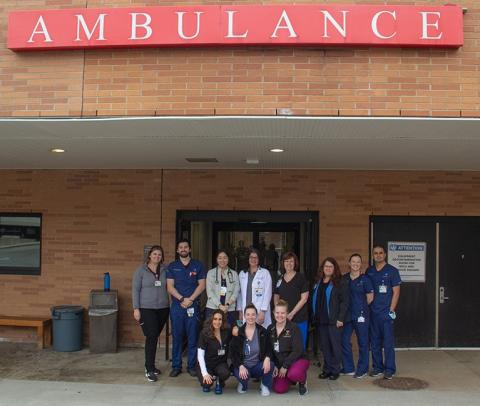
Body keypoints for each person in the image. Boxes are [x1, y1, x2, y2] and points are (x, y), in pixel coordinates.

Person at [167, 239, 206, 377]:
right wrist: (182, 299)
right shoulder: (172, 266)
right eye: (180, 247)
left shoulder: (197, 265)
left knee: (193, 337)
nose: (183, 249)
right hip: (177, 307)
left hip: (192, 306)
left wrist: (191, 299)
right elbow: (170, 286)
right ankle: (176, 366)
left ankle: (191, 366)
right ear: (177, 250)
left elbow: (202, 285)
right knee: (177, 337)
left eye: (185, 247)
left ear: (189, 249)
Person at [132, 245, 170, 382]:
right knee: (151, 335)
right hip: (146, 308)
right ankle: (149, 369)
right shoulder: (140, 271)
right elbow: (135, 290)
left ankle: (152, 366)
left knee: (154, 336)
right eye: (154, 254)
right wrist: (136, 308)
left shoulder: (165, 270)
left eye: (159, 255)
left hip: (163, 308)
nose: (157, 257)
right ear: (149, 256)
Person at [366, 244, 401, 380]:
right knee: (374, 342)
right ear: (373, 255)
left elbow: (396, 292)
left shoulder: (392, 271)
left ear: (385, 255)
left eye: (381, 253)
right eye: (376, 253)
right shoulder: (370, 271)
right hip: (373, 313)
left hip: (386, 313)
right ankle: (378, 367)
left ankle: (390, 369)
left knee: (388, 342)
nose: (378, 255)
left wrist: (391, 310)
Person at [312, 257, 349, 380]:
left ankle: (335, 370)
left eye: (330, 266)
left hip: (334, 321)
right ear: (322, 268)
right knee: (325, 347)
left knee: (335, 347)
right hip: (321, 321)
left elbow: (345, 302)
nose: (328, 268)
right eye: (326, 266)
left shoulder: (340, 282)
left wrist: (341, 319)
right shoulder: (318, 282)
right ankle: (327, 369)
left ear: (334, 269)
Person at [341, 253, 374, 379]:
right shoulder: (344, 278)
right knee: (344, 340)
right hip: (347, 316)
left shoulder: (365, 279)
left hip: (361, 316)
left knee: (363, 342)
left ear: (361, 264)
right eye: (353, 261)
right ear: (349, 263)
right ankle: (348, 368)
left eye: (358, 262)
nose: (355, 264)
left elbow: (370, 298)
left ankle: (362, 369)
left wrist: (360, 307)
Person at [230, 303, 273, 396]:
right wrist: (240, 365)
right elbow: (233, 353)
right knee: (243, 378)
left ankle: (264, 385)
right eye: (248, 314)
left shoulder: (262, 331)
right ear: (244, 316)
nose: (251, 317)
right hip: (243, 366)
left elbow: (269, 348)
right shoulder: (239, 332)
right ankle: (243, 384)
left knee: (271, 364)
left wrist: (267, 358)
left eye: (253, 314)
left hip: (257, 366)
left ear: (256, 316)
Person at [268, 300, 309, 395]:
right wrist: (273, 364)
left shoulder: (294, 328)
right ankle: (291, 379)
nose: (280, 315)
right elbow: (269, 350)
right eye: (277, 313)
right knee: (279, 389)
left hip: (297, 360)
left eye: (283, 313)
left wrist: (285, 366)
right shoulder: (270, 328)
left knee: (294, 374)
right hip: (280, 364)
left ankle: (302, 381)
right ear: (273, 313)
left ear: (287, 313)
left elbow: (298, 350)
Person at [273, 252, 309, 349]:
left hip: (299, 318)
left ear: (295, 263)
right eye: (286, 261)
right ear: (283, 263)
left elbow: (304, 298)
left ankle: (299, 364)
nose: (289, 263)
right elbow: (276, 296)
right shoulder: (279, 279)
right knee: (285, 346)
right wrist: (280, 312)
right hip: (283, 319)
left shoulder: (301, 277)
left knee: (299, 345)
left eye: (291, 261)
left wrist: (292, 313)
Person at [196, 309, 231, 393]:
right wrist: (205, 374)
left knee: (225, 373)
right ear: (211, 319)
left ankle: (219, 380)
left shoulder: (226, 332)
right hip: (207, 364)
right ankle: (210, 377)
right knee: (206, 385)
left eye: (220, 319)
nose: (217, 322)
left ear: (223, 321)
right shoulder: (204, 333)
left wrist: (236, 328)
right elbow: (200, 355)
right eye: (215, 319)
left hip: (220, 363)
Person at [237, 248, 272, 328]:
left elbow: (268, 293)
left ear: (259, 259)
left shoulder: (265, 273)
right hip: (246, 311)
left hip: (260, 310)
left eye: (256, 257)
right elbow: (239, 294)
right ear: (248, 259)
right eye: (251, 257)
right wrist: (240, 310)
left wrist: (263, 311)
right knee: (247, 335)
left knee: (260, 335)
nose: (253, 259)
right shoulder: (242, 274)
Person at [205, 250, 240, 327]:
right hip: (213, 308)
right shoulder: (211, 273)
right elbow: (209, 292)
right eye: (220, 258)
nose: (222, 260)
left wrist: (227, 305)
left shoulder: (234, 274)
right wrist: (220, 306)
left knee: (227, 333)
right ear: (216, 259)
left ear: (228, 259)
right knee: (211, 333)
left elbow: (236, 291)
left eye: (225, 258)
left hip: (229, 309)